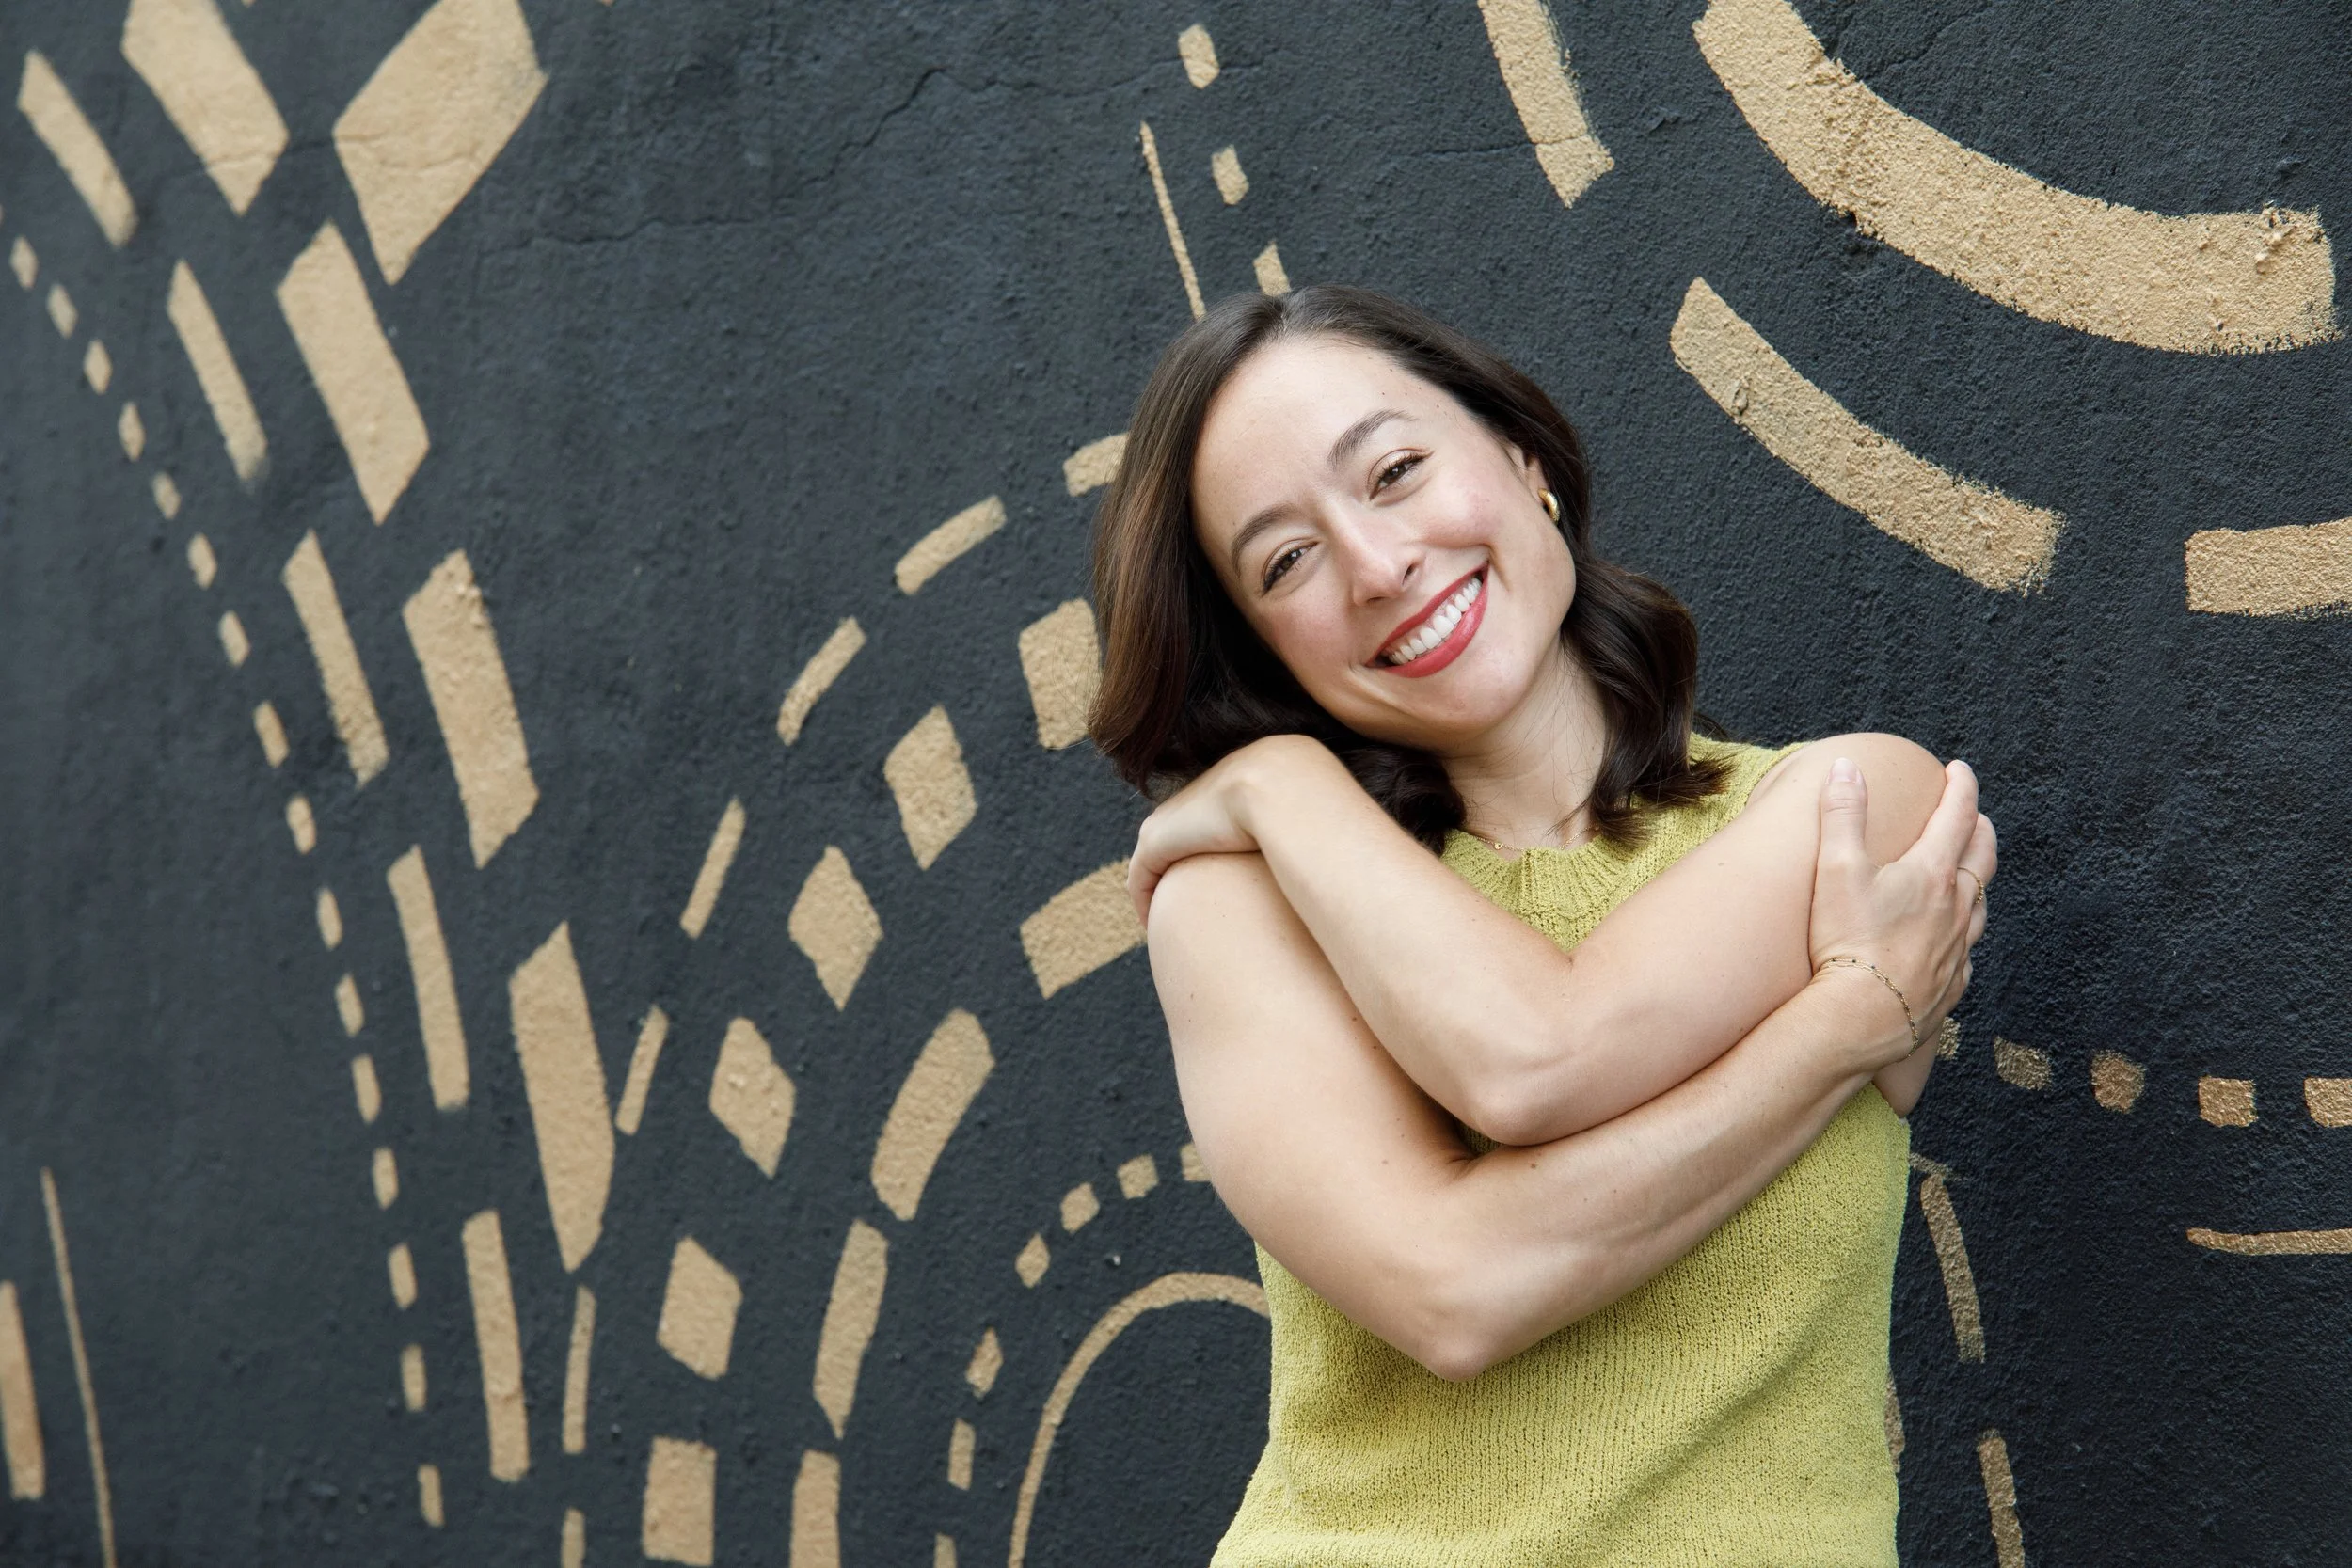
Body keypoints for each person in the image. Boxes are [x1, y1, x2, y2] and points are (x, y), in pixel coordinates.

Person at [1087, 285, 1995, 1566]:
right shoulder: (1245, 901)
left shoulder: (1849, 807)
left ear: (1524, 462)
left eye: (1395, 471)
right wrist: (1847, 1022)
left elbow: (1549, 1050)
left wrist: (1280, 791)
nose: (1377, 564)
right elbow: (1456, 1288)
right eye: (1285, 560)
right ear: (1261, 647)